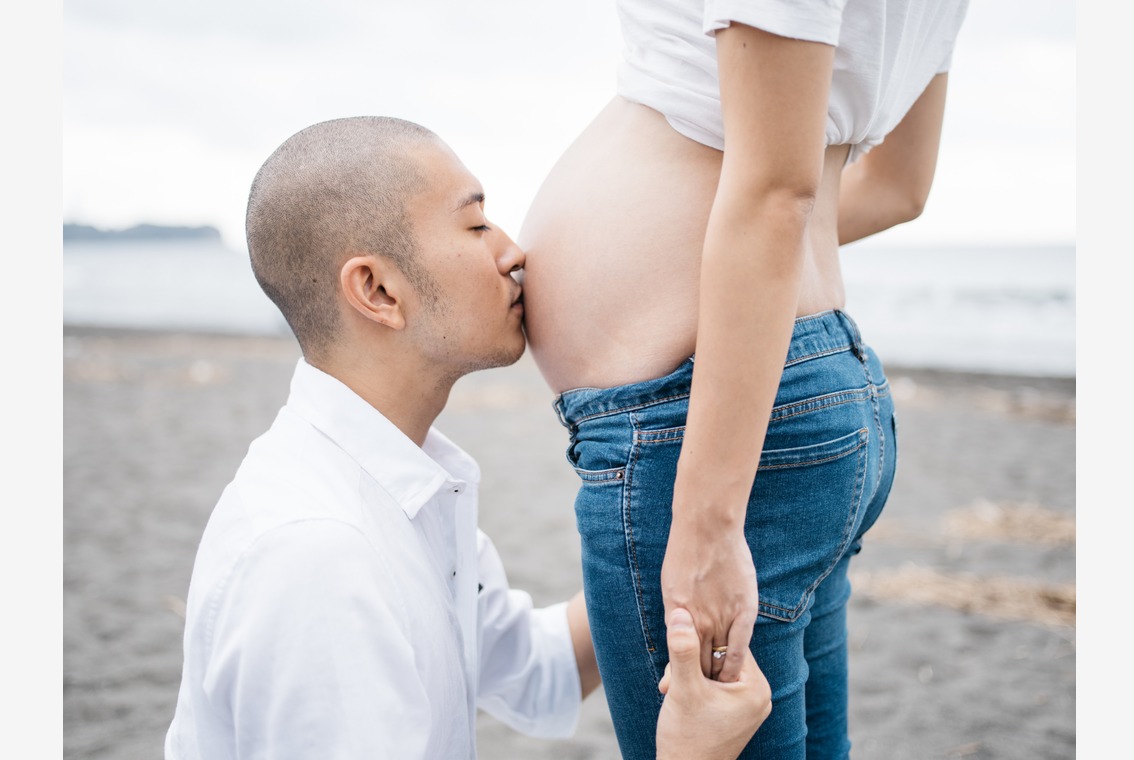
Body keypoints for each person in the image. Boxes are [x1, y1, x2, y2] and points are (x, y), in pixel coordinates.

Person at [164, 116, 771, 759]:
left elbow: (535, 671)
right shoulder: (319, 556)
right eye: (477, 225)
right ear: (377, 290)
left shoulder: (403, 480)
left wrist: (698, 528)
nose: (513, 253)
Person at [517, 1, 971, 757]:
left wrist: (708, 521)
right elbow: (900, 186)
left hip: (710, 423)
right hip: (811, 392)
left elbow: (774, 192)